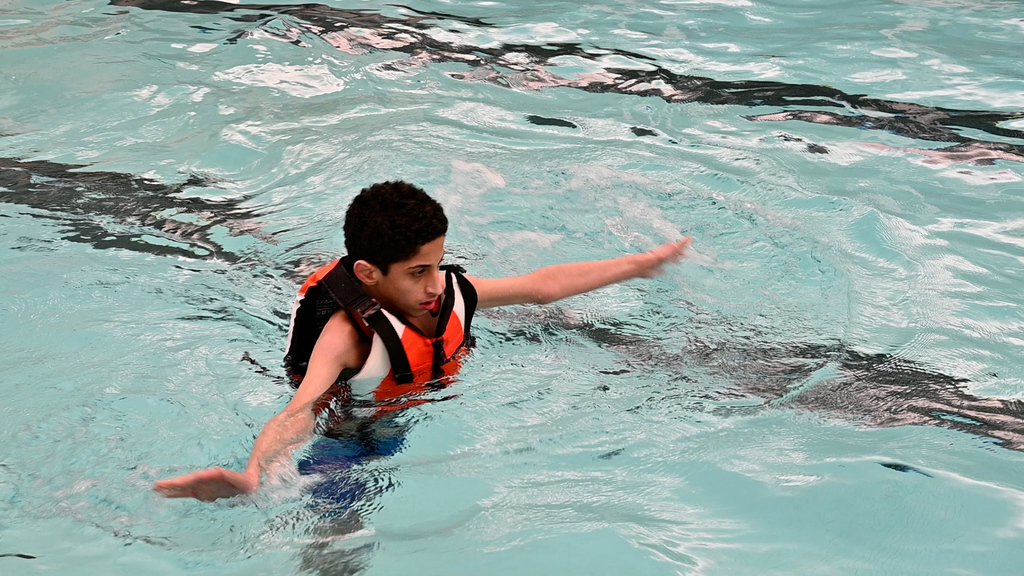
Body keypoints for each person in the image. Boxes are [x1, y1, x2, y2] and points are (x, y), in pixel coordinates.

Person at [154, 181, 690, 501]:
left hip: (417, 393)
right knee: (339, 511)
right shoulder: (346, 337)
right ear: (367, 273)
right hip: (355, 423)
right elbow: (300, 410)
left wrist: (635, 267)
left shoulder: (449, 290)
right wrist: (258, 473)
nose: (436, 285)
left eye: (436, 264)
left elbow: (541, 287)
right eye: (416, 273)